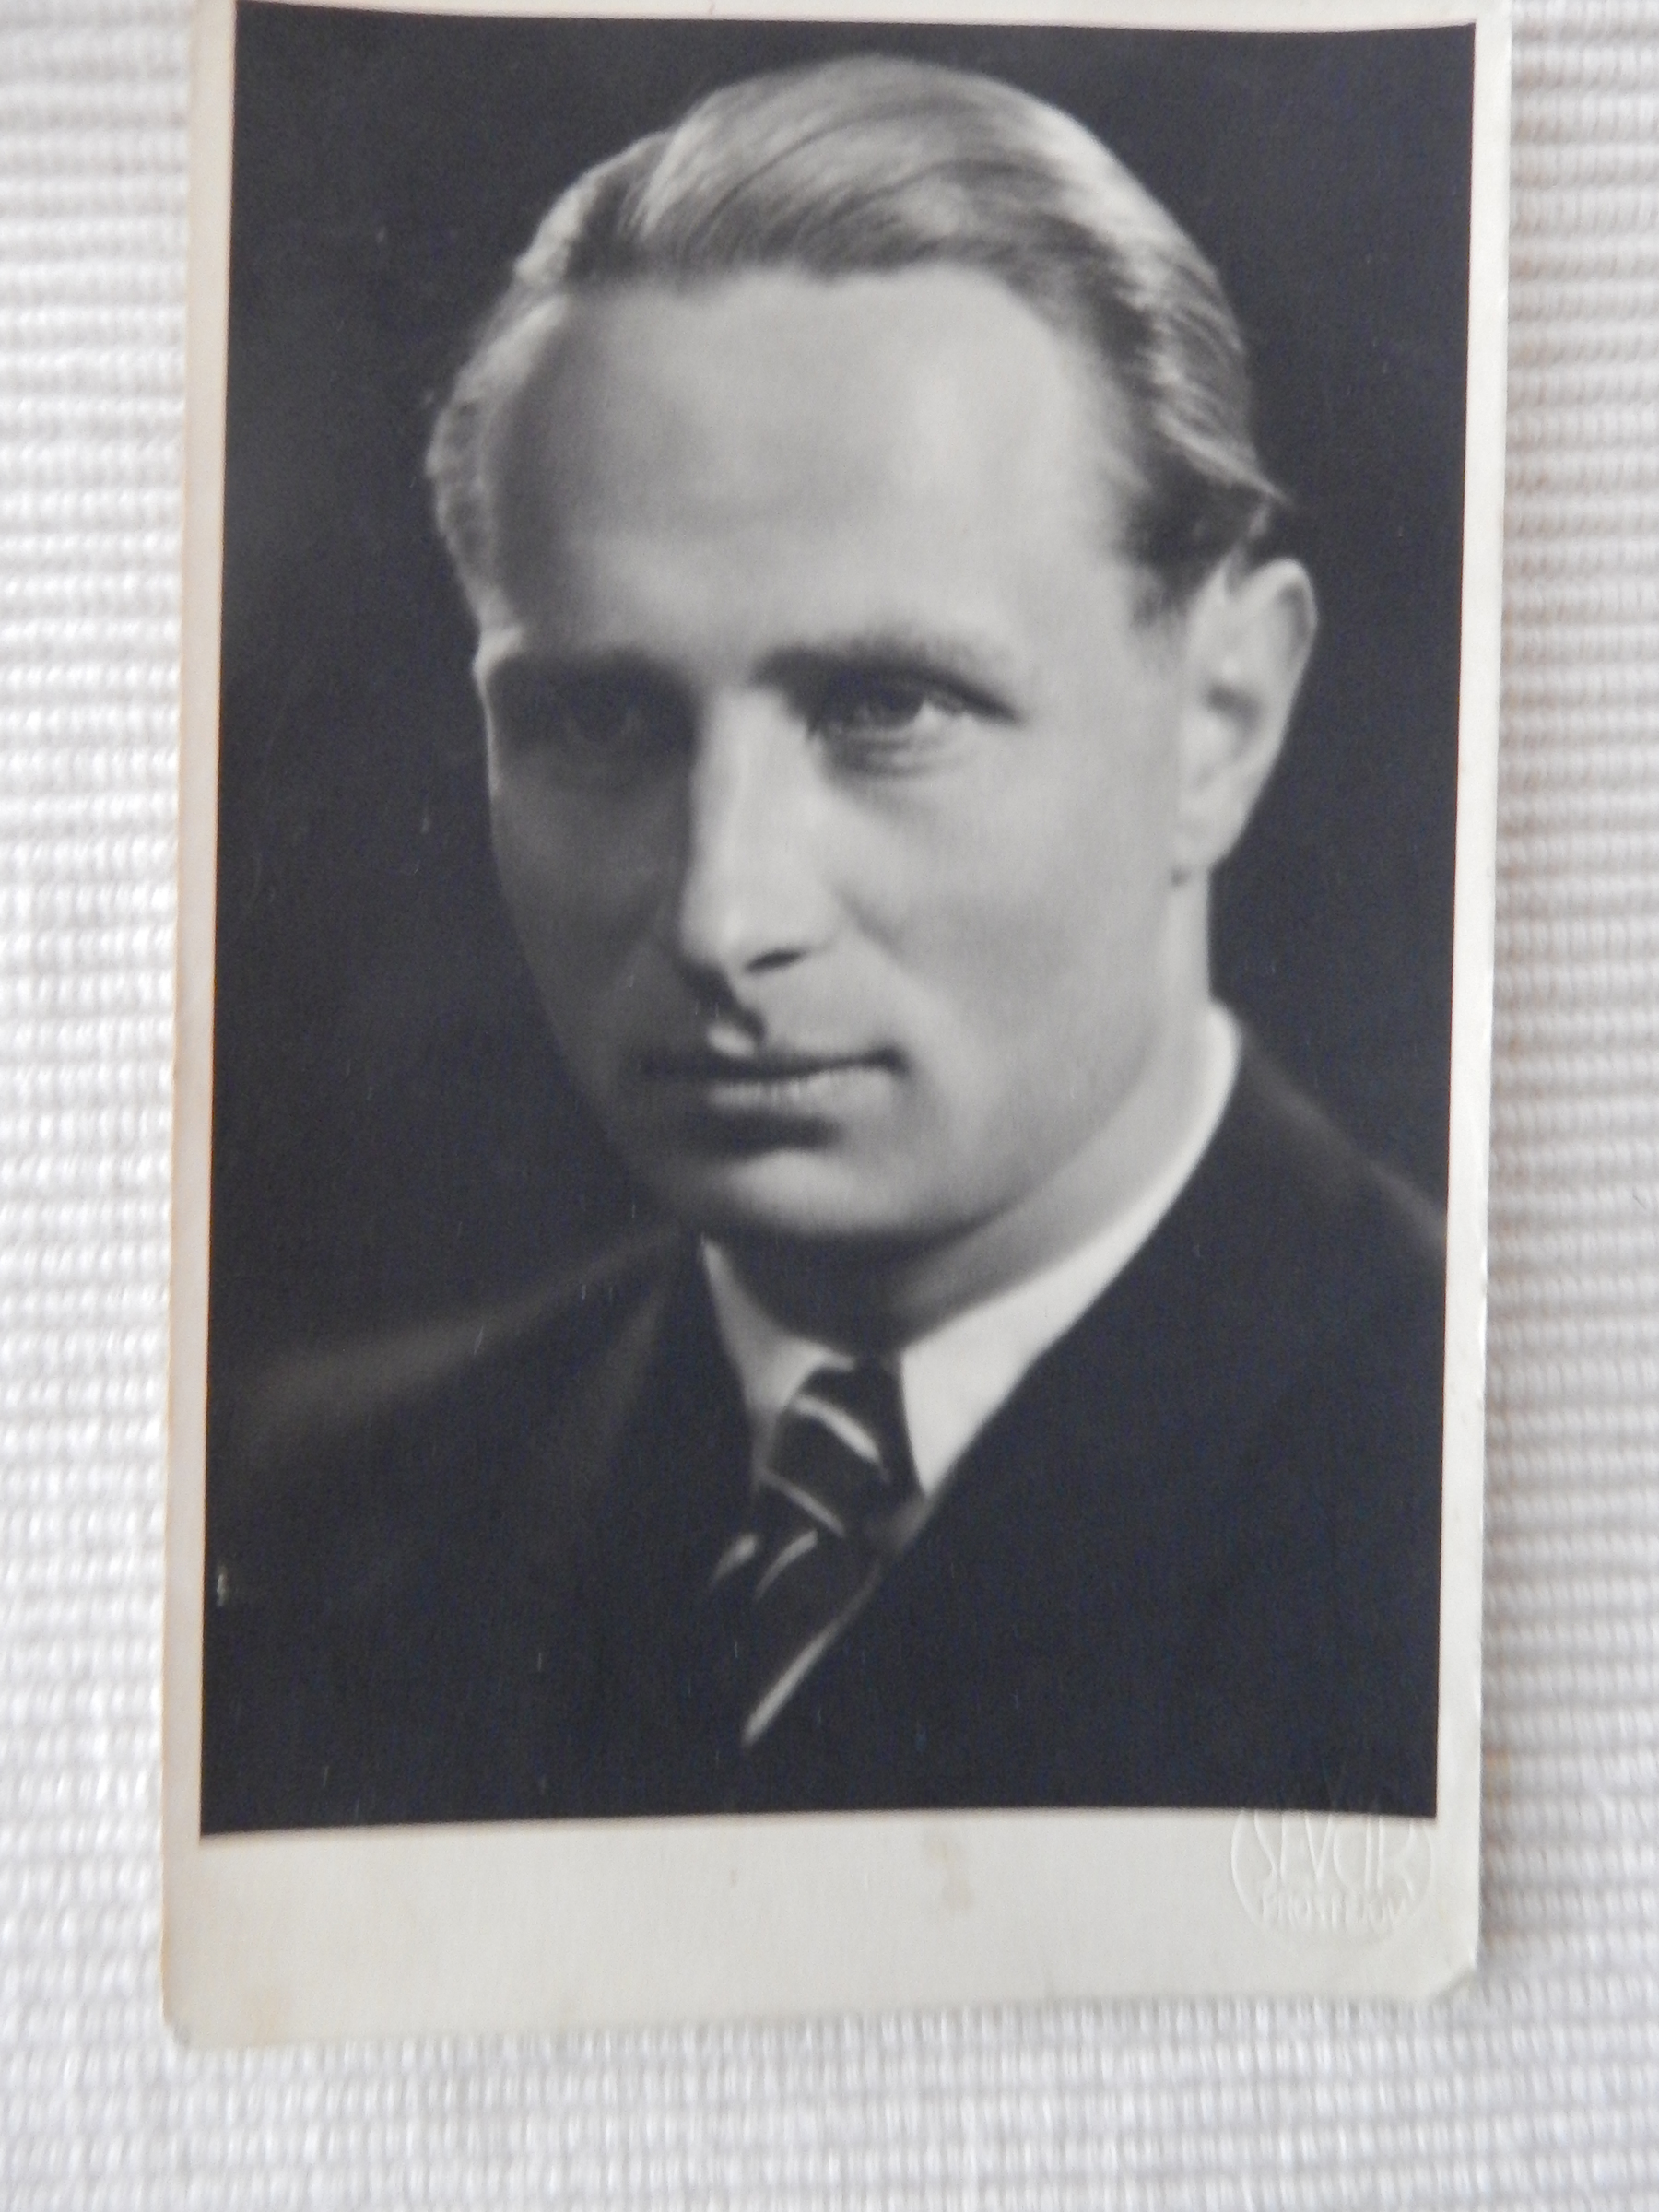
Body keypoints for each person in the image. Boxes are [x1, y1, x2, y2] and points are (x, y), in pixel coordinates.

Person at [202, 54, 1445, 1832]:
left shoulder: (1475, 1495)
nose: (725, 917)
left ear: (1221, 722)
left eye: (885, 707)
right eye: (600, 722)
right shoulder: (305, 1508)